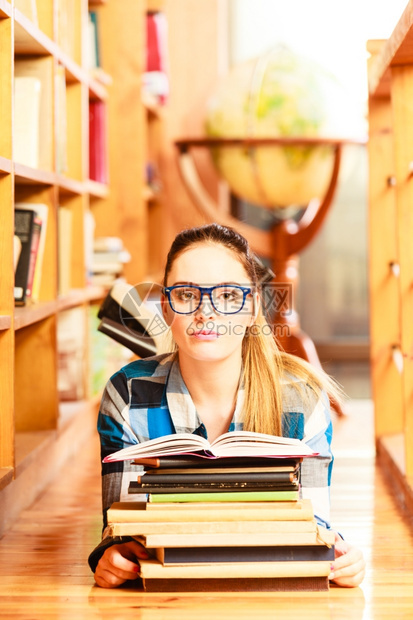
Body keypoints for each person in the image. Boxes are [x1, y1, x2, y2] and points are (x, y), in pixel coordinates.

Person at [88, 223, 365, 589]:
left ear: (252, 308)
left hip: (270, 592)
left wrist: (343, 557)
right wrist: (113, 557)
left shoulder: (302, 396)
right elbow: (122, 530)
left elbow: (314, 524)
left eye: (228, 296)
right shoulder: (126, 394)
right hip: (165, 591)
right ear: (167, 308)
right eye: (186, 295)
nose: (206, 313)